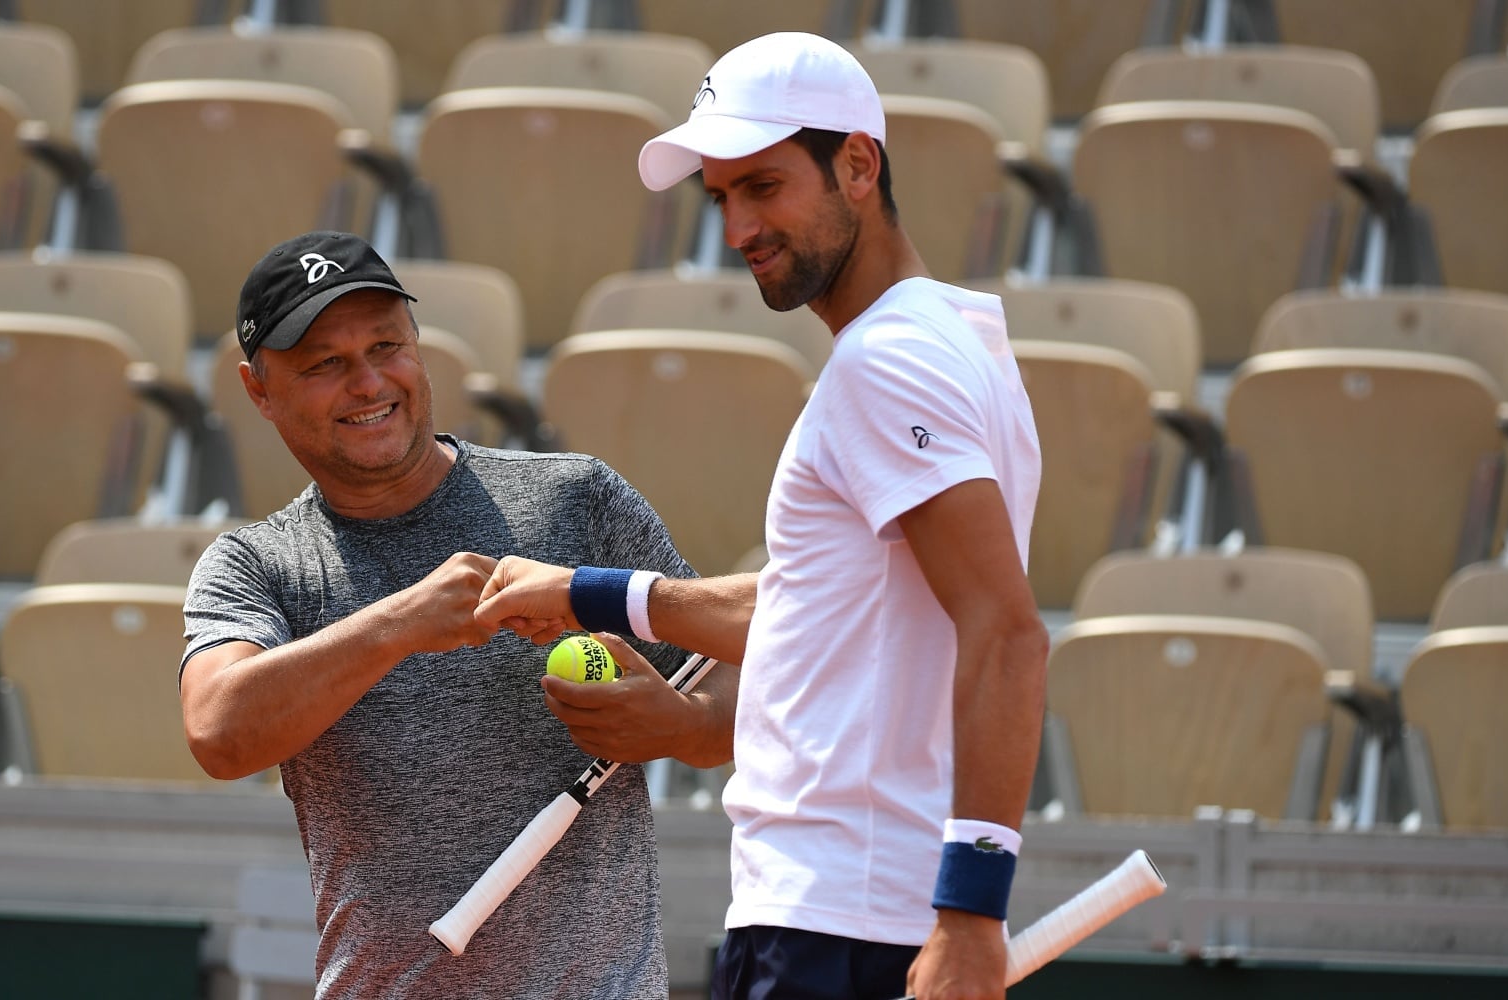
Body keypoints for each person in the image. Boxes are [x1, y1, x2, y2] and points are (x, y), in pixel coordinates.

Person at [475, 33, 1047, 1000]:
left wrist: (972, 913)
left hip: (843, 923)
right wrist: (588, 594)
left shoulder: (886, 364)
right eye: (720, 196)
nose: (738, 226)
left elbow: (1008, 633)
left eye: (765, 186)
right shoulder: (949, 343)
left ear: (857, 165)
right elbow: (824, 608)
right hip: (844, 914)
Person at [177, 230, 738, 999]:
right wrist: (400, 622)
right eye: (325, 365)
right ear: (258, 390)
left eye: (387, 346)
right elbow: (218, 730)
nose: (369, 382)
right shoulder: (254, 565)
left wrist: (680, 725)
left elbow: (742, 678)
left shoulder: (577, 497)